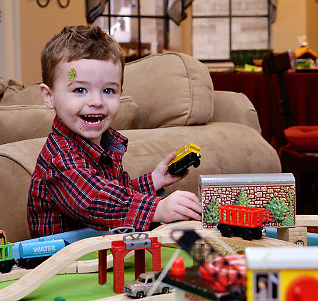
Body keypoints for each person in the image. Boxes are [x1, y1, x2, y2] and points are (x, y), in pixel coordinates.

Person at [28, 25, 201, 238]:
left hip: (99, 255)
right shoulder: (60, 157)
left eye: (108, 90)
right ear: (49, 96)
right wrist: (157, 209)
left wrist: (154, 180)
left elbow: (118, 191)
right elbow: (94, 200)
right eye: (80, 90)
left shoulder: (104, 145)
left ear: (121, 92)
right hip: (63, 264)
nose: (97, 102)